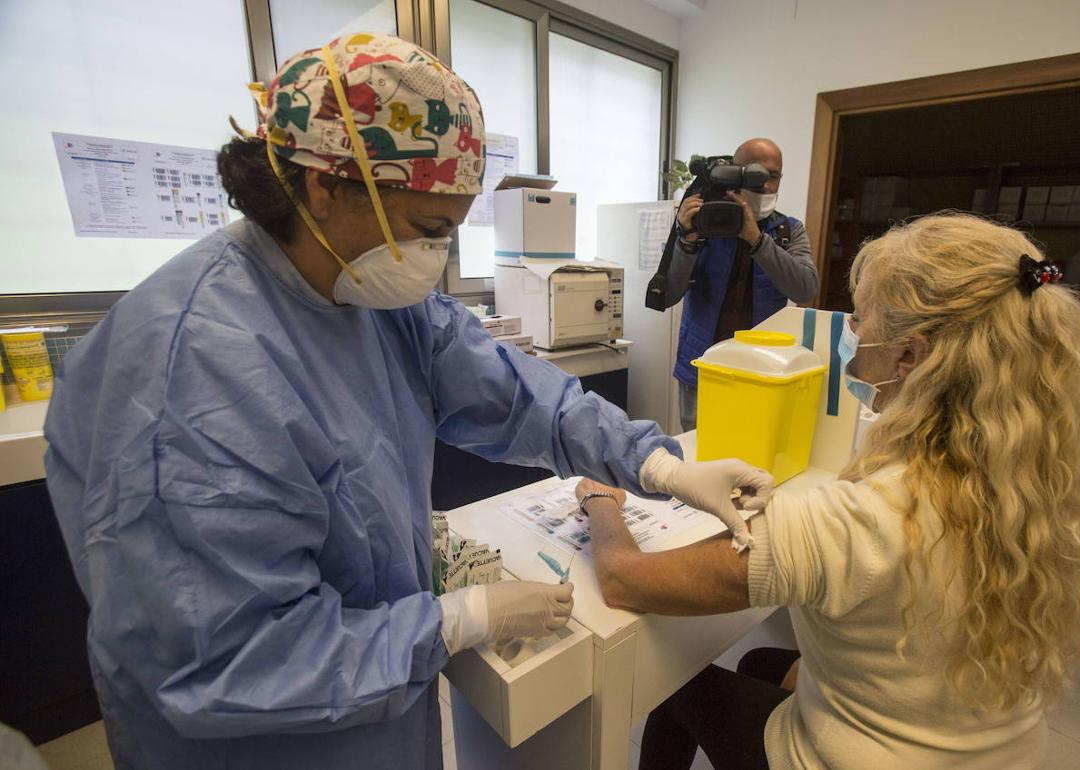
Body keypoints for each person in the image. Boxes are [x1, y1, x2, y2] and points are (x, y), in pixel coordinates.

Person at [42, 35, 771, 770]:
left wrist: (658, 465)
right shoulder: (193, 378)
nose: (438, 259)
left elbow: (523, 397)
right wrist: (455, 621)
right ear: (324, 186)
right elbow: (226, 663)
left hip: (376, 710)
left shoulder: (371, 292)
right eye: (429, 231)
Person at [577, 213, 1080, 769]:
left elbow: (623, 580)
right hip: (995, 755)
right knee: (760, 662)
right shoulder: (1027, 489)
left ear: (910, 355)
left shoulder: (859, 518)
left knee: (677, 686)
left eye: (861, 322)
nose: (851, 339)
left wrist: (602, 503)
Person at [661, 138, 818, 432]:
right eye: (757, 175)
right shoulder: (704, 224)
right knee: (698, 454)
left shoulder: (788, 230)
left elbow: (806, 289)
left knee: (753, 457)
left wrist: (756, 239)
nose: (766, 186)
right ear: (734, 174)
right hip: (701, 369)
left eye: (774, 176)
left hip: (761, 373)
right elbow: (668, 293)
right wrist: (687, 240)